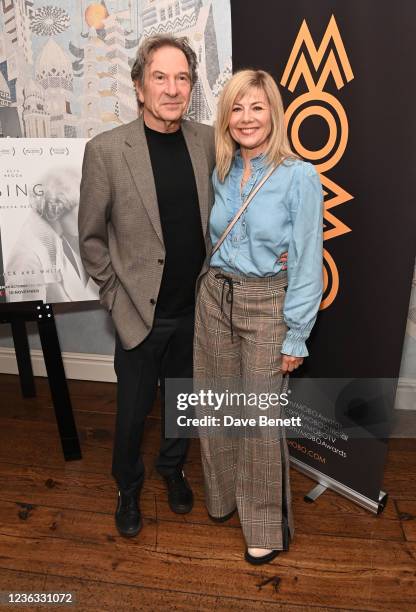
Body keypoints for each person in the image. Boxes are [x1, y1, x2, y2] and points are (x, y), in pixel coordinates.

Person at [78, 34, 215, 537]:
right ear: (139, 87)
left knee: (182, 401)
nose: (172, 88)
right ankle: (127, 486)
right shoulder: (107, 151)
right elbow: (91, 238)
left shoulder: (207, 141)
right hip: (138, 313)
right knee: (133, 413)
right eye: (160, 76)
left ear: (192, 86)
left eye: (182, 78)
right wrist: (115, 299)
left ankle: (172, 469)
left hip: (196, 311)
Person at [193, 69, 323, 564]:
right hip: (215, 299)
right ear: (227, 116)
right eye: (237, 108)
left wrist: (297, 334)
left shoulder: (299, 175)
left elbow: (308, 257)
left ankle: (265, 524)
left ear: (273, 112)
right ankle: (225, 499)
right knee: (216, 405)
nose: (246, 118)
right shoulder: (221, 170)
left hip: (267, 304)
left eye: (257, 107)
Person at [5, 169, 97, 303]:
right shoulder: (28, 257)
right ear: (56, 207)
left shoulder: (59, 244)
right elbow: (28, 317)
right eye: (82, 205)